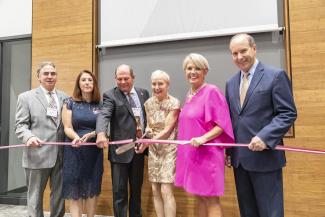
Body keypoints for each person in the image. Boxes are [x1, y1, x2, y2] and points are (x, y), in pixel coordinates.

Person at [225, 33, 297, 217]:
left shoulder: (275, 75)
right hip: (240, 161)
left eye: (243, 51)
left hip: (266, 159)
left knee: (270, 212)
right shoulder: (230, 83)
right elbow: (233, 120)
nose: (239, 57)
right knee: (247, 212)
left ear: (254, 48)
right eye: (234, 53)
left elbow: (288, 113)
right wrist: (228, 152)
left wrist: (264, 137)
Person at [175, 53, 234, 217]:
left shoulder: (212, 91)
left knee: (211, 199)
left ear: (205, 71)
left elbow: (222, 124)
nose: (192, 72)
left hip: (208, 156)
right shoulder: (189, 94)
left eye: (197, 68)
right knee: (200, 197)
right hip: (193, 155)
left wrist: (203, 138)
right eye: (189, 68)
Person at [96, 64, 149, 217]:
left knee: (137, 193)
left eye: (126, 78)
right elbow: (104, 115)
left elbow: (148, 118)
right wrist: (101, 133)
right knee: (120, 194)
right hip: (120, 153)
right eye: (119, 79)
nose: (123, 82)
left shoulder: (143, 93)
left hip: (139, 150)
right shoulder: (110, 95)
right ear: (115, 79)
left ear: (133, 77)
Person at [15, 61, 66, 217]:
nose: (50, 76)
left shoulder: (66, 97)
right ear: (38, 76)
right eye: (46, 73)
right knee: (35, 197)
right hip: (37, 155)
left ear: (56, 76)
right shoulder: (26, 97)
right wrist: (29, 137)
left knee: (59, 196)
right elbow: (20, 126)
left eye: (53, 73)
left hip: (61, 156)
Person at [136, 70, 180, 217]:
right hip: (154, 150)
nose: (156, 87)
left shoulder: (174, 103)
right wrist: (145, 135)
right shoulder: (148, 103)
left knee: (166, 190)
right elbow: (149, 125)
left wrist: (148, 141)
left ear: (167, 84)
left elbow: (167, 130)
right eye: (154, 84)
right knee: (155, 190)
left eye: (160, 83)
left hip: (169, 150)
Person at [61, 70, 103, 217]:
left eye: (90, 80)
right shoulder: (69, 102)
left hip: (94, 152)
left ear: (94, 83)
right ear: (79, 83)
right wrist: (76, 137)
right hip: (75, 150)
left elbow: (102, 128)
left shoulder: (101, 104)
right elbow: (67, 127)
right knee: (75, 189)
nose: (87, 83)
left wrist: (93, 134)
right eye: (83, 80)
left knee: (92, 188)